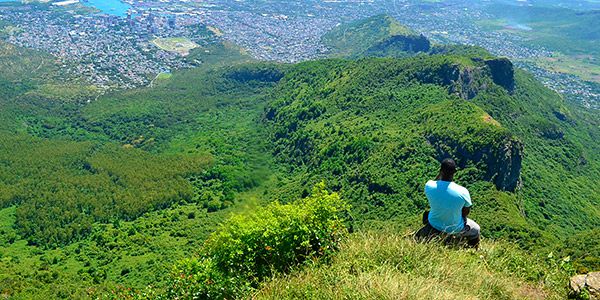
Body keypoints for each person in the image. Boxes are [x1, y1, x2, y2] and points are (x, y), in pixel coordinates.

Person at [417, 158, 480, 248]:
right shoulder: (463, 191)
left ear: (440, 170)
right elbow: (465, 213)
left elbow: (435, 181)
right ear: (455, 172)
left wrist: (440, 173)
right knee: (476, 229)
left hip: (434, 223)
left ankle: (431, 232)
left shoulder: (429, 186)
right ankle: (473, 250)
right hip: (454, 228)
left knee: (427, 213)